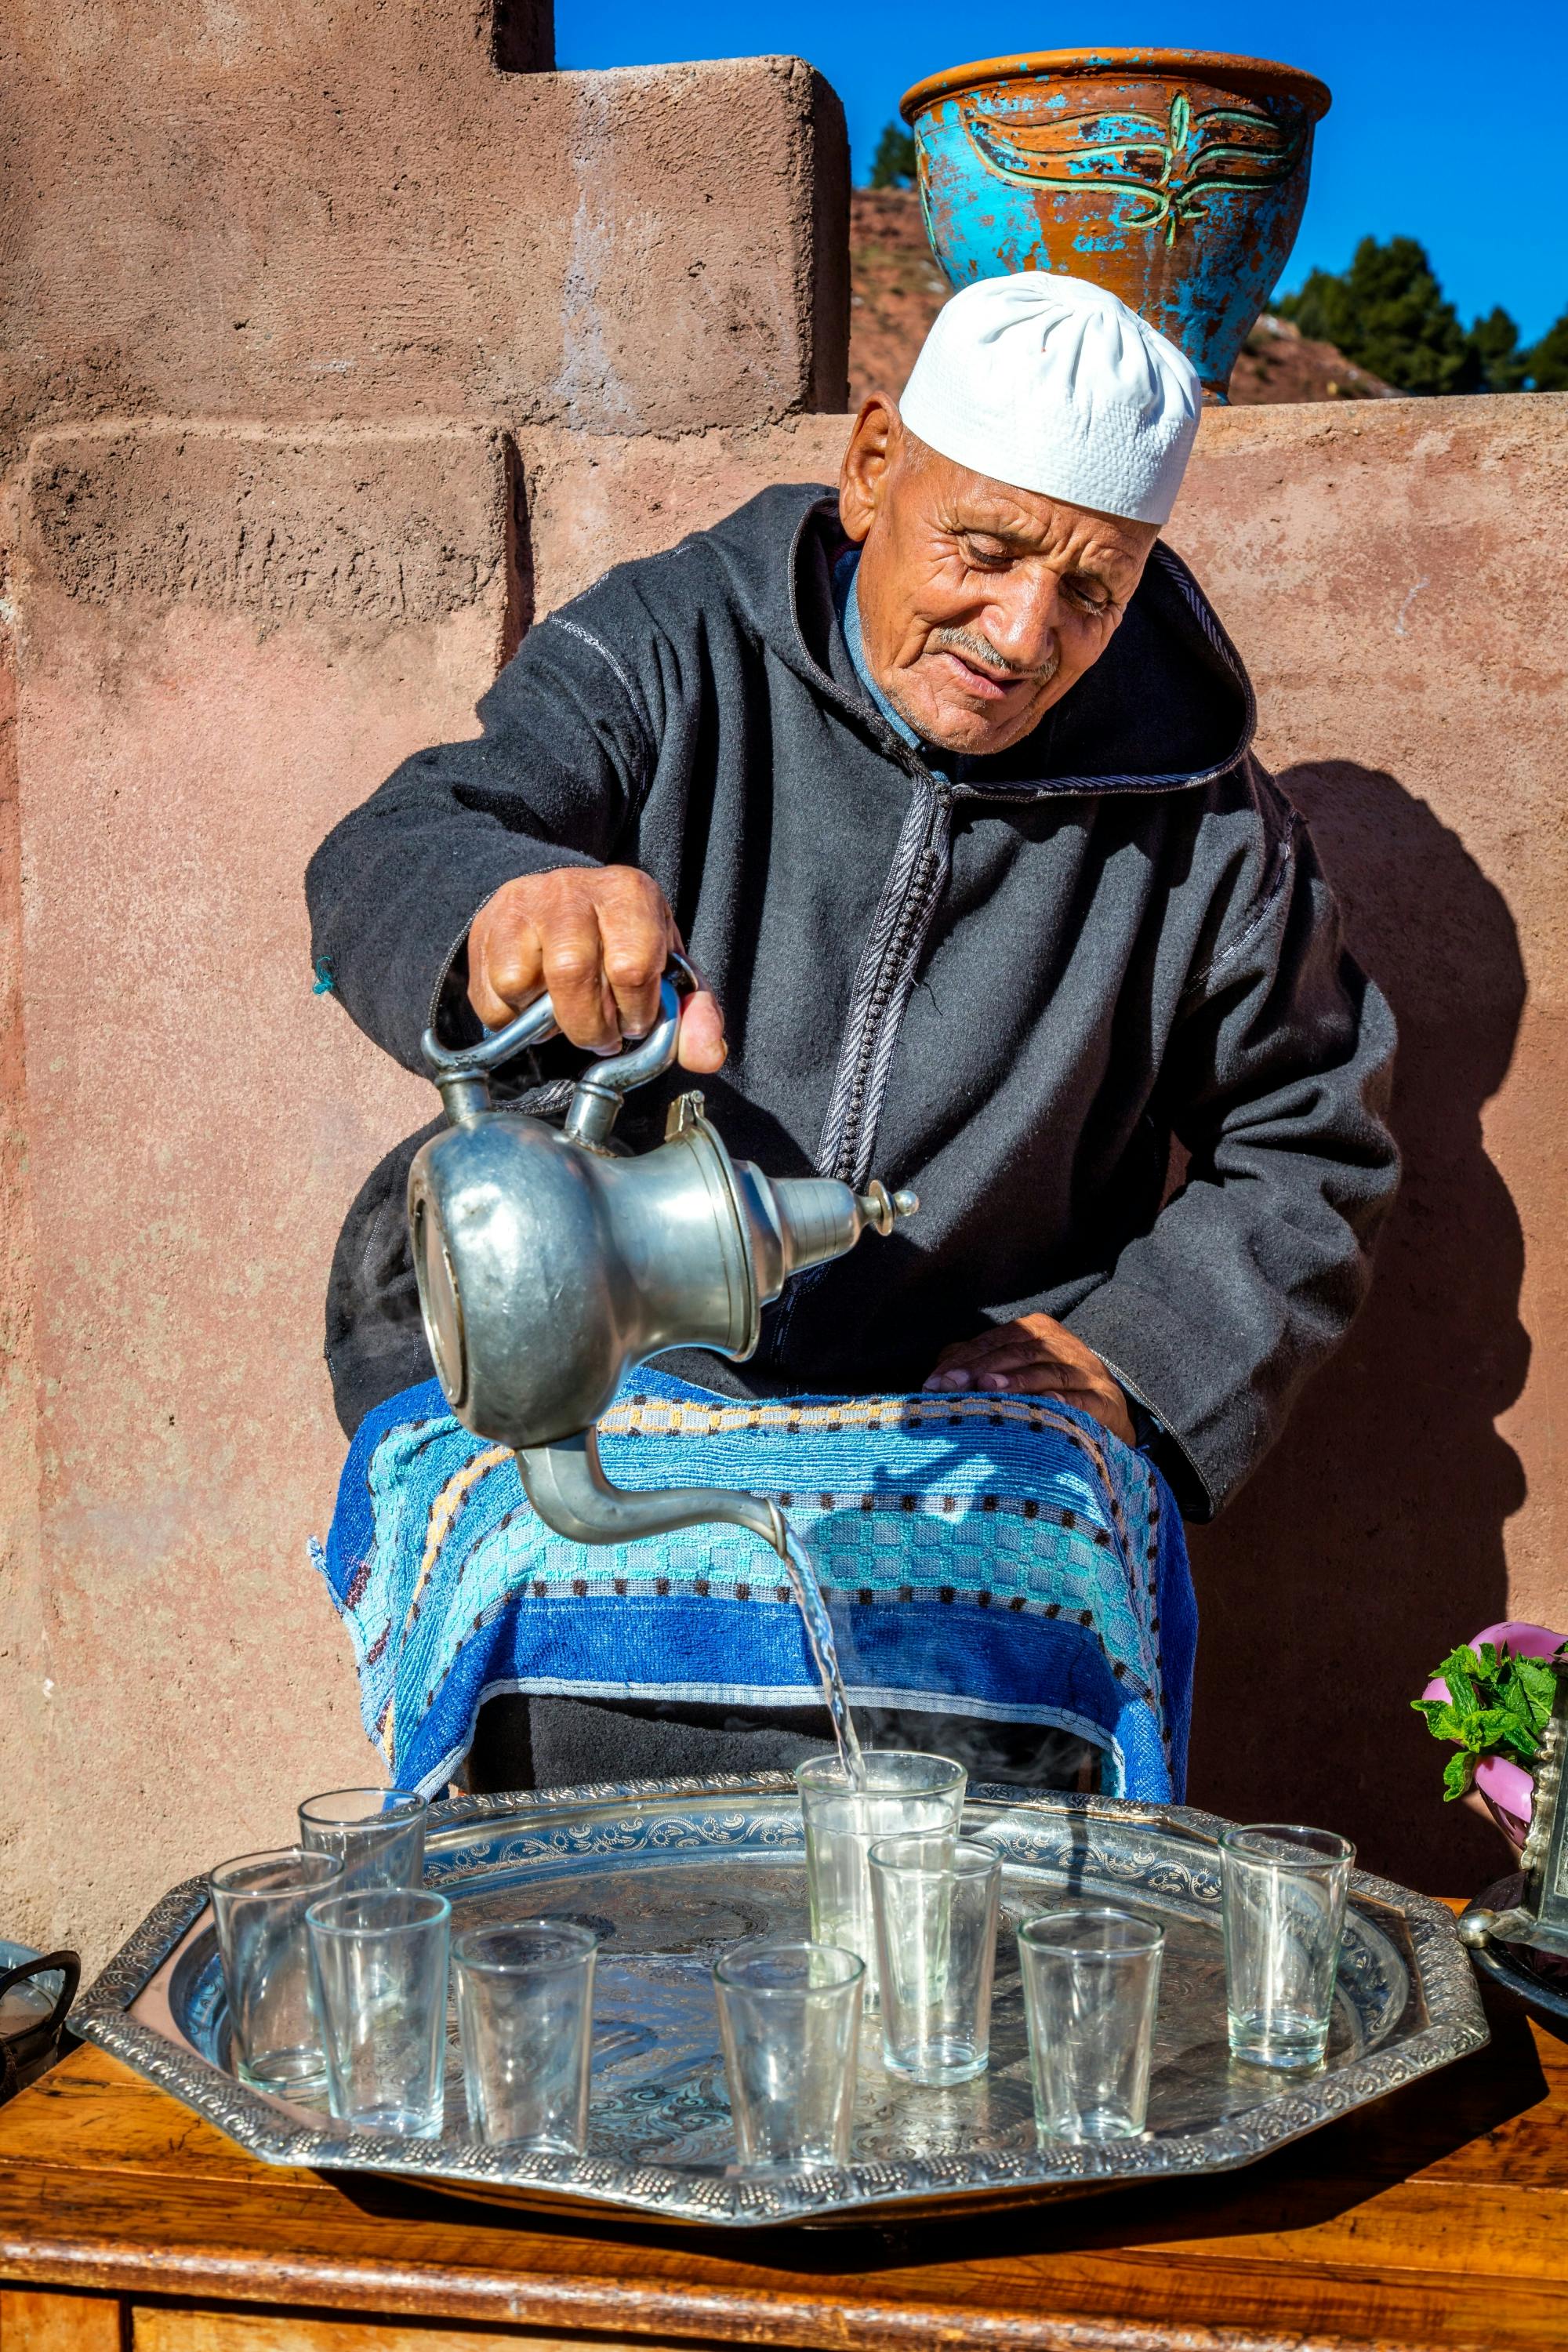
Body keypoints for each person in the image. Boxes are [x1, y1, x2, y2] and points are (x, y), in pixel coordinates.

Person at [307, 272, 1398, 1791]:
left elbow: (1310, 1136)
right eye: (987, 550)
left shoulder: (1205, 830)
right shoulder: (673, 644)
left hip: (951, 1381)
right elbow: (409, 836)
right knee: (560, 1679)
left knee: (1001, 1729)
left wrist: (1137, 1357)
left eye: (1094, 588)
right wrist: (507, 911)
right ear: (875, 464)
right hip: (590, 1342)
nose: (1025, 634)